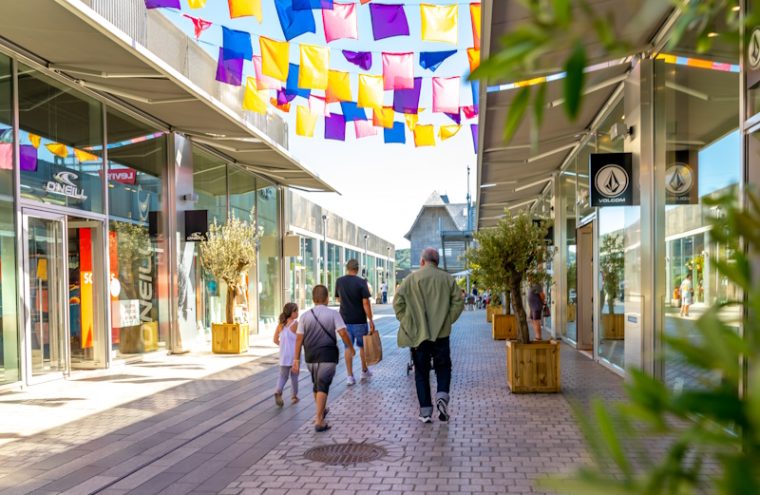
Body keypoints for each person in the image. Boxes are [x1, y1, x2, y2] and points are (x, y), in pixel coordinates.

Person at [393, 247, 464, 423]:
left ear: (422, 261)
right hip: (441, 333)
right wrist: (448, 319)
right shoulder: (448, 279)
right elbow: (459, 301)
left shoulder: (410, 279)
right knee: (443, 366)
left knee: (421, 372)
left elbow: (397, 303)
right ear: (437, 262)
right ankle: (442, 396)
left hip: (419, 335)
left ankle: (425, 412)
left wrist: (407, 321)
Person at [293, 285, 355, 432]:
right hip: (327, 355)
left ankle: (321, 410)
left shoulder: (305, 316)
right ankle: (319, 420)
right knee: (322, 385)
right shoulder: (333, 314)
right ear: (327, 298)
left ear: (313, 298)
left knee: (317, 383)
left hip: (310, 356)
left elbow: (298, 339)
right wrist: (350, 348)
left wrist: (296, 359)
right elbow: (343, 333)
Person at [334, 259, 376, 385]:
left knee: (348, 347)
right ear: (357, 269)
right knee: (362, 347)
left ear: (347, 268)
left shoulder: (339, 281)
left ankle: (350, 376)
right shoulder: (361, 282)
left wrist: (346, 301)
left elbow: (337, 299)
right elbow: (366, 303)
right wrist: (371, 320)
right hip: (359, 320)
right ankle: (364, 371)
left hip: (344, 320)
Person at [273, 303, 300, 407]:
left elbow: (275, 340)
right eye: (296, 311)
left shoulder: (280, 325)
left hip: (283, 356)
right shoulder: (295, 324)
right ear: (291, 313)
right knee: (294, 376)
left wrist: (283, 345)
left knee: (283, 376)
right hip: (294, 356)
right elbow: (300, 339)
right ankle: (294, 396)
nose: (297, 313)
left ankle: (278, 391)